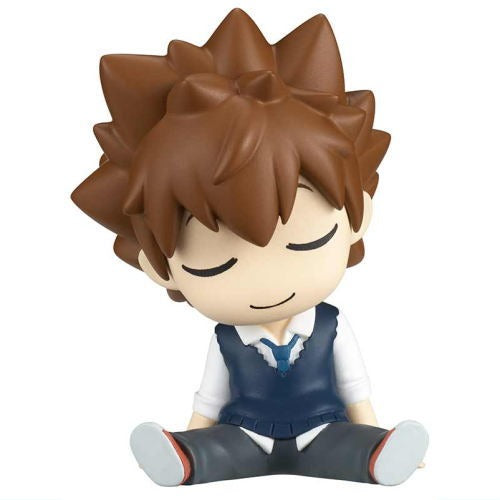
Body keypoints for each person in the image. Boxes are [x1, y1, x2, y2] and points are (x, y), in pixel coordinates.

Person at [72, 8, 428, 487]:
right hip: (245, 435)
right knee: (215, 452)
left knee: (351, 449)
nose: (268, 281)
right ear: (161, 269)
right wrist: (190, 436)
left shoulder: (331, 325)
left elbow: (354, 387)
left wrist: (374, 432)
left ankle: (377, 456)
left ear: (357, 216)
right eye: (218, 265)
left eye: (306, 242)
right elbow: (209, 398)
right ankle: (185, 458)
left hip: (323, 431)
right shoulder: (226, 339)